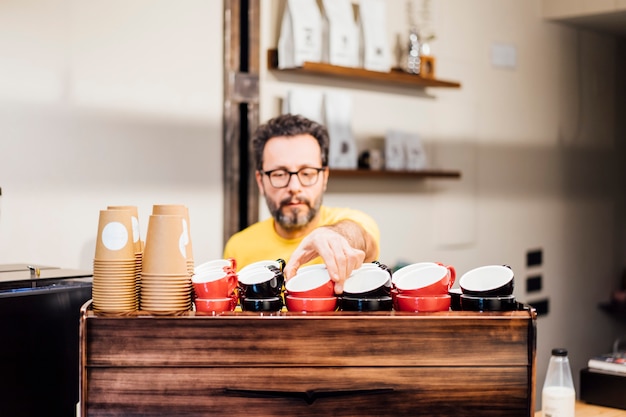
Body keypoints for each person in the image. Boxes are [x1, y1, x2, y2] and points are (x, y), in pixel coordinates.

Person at [223, 114, 380, 294]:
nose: (294, 187)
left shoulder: (355, 222)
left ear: (324, 177)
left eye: (307, 173)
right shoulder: (238, 247)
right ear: (260, 181)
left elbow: (360, 237)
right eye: (279, 174)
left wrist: (331, 236)